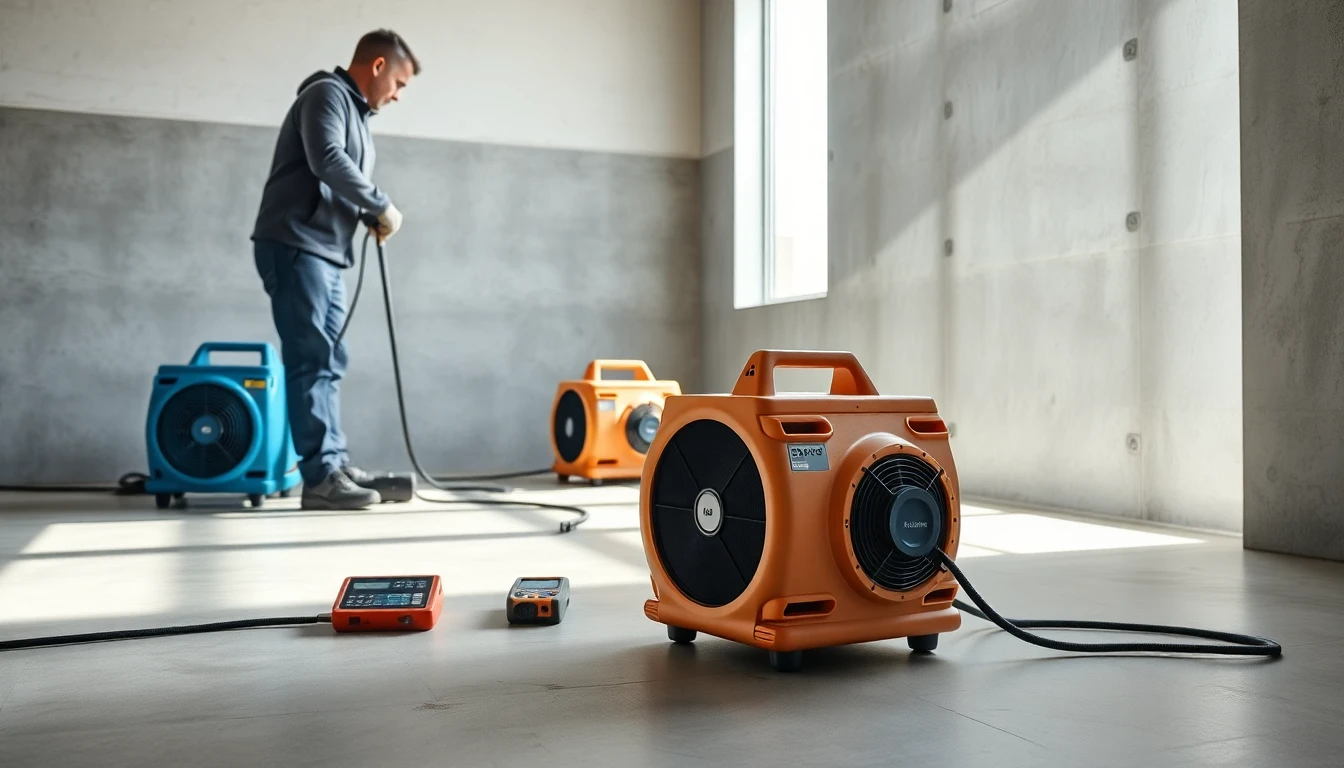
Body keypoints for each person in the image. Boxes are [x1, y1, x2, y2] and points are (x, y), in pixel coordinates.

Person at [251, 29, 420, 509]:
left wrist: (369, 214)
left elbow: (338, 179)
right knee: (310, 356)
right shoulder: (324, 94)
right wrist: (381, 203)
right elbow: (327, 160)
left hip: (325, 252)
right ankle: (321, 477)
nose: (398, 96)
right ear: (379, 66)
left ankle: (334, 463)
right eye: (400, 84)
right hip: (296, 245)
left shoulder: (358, 118)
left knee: (328, 359)